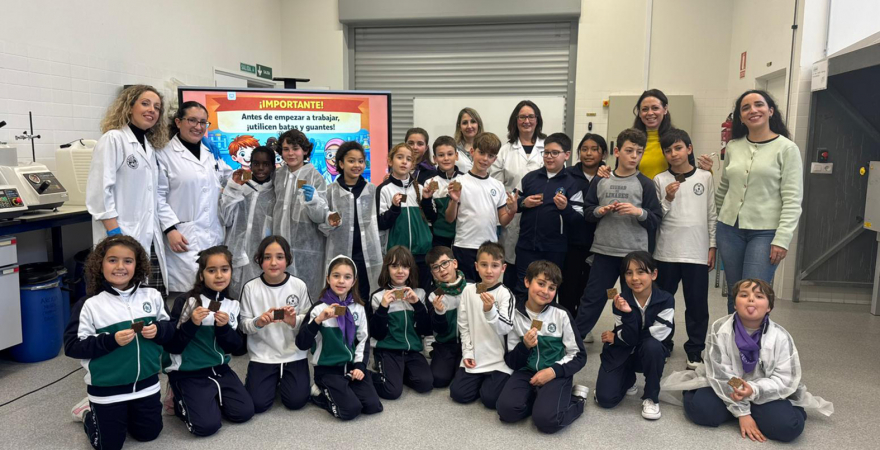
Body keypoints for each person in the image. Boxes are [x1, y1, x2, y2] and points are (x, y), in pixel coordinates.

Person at [662, 279, 834, 442]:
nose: (751, 299)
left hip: (764, 391)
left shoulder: (780, 336)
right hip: (728, 386)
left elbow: (786, 378)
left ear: (769, 307)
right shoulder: (720, 328)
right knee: (702, 411)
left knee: (788, 428)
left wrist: (753, 389)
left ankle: (760, 410)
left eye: (759, 296)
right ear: (735, 304)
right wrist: (743, 413)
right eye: (744, 295)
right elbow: (721, 372)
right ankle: (744, 411)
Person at [65, 235, 174, 450]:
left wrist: (159, 330)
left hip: (146, 385)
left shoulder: (152, 296)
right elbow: (72, 346)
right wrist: (110, 340)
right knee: (110, 445)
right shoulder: (89, 305)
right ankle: (88, 412)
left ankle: (127, 412)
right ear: (100, 263)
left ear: (137, 265)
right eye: (112, 260)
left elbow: (171, 329)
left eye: (128, 261)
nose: (120, 266)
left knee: (149, 434)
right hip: (107, 389)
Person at [715, 90, 803, 313]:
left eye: (759, 105)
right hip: (729, 230)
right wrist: (716, 221)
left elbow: (792, 199)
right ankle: (733, 346)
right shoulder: (733, 146)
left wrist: (782, 239)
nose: (753, 110)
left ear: (770, 111)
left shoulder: (787, 149)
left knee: (753, 296)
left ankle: (752, 347)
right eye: (746, 108)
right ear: (741, 117)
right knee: (735, 295)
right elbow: (724, 188)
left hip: (765, 234)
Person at [574, 129, 662, 340]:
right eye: (629, 151)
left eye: (638, 152)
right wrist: (600, 211)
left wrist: (637, 212)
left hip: (634, 256)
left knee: (634, 300)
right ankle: (574, 340)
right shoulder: (601, 179)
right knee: (593, 298)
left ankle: (634, 339)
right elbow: (588, 211)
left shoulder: (645, 184)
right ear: (617, 152)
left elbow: (655, 218)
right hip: (604, 251)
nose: (634, 156)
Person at [86, 84, 170, 294]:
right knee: (117, 298)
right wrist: (116, 235)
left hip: (146, 235)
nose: (152, 110)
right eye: (145, 103)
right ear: (129, 107)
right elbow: (99, 192)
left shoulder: (149, 148)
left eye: (157, 107)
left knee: (144, 296)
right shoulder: (113, 139)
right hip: (120, 234)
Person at [163, 246, 254, 436]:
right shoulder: (186, 302)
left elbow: (235, 348)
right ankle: (177, 395)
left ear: (231, 271)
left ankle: (207, 398)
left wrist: (223, 329)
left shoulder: (233, 304)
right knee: (206, 427)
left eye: (224, 269)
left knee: (244, 413)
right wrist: (192, 323)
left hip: (220, 369)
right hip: (188, 372)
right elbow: (172, 346)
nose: (219, 275)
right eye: (212, 270)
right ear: (202, 275)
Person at [496, 260, 588, 434]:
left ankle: (577, 401)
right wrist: (524, 346)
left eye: (552, 288)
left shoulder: (562, 315)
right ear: (527, 282)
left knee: (547, 421)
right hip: (526, 371)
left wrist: (553, 371)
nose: (545, 291)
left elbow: (579, 356)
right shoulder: (514, 313)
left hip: (556, 372)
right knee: (506, 411)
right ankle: (541, 400)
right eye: (541, 284)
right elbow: (511, 361)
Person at [653, 128, 717, 369]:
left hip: (697, 251)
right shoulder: (660, 180)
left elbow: (711, 213)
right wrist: (667, 198)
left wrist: (712, 245)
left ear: (689, 149)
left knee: (697, 303)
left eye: (678, 148)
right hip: (667, 251)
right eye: (668, 150)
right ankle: (663, 343)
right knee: (663, 301)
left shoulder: (705, 177)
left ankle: (695, 349)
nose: (673, 153)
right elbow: (657, 216)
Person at [157, 101, 233, 296]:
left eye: (203, 122)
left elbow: (228, 176)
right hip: (183, 237)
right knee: (185, 297)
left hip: (212, 235)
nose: (198, 127)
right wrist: (170, 229)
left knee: (212, 295)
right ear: (178, 122)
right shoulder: (164, 154)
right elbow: (157, 196)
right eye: (192, 120)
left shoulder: (210, 153)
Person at [296, 255, 384, 420]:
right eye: (336, 276)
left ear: (354, 281)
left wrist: (359, 366)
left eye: (347, 277)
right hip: (328, 371)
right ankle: (318, 393)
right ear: (328, 279)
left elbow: (363, 340)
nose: (341, 281)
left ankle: (346, 389)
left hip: (351, 368)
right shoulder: (319, 309)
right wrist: (318, 320)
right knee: (350, 410)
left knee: (373, 406)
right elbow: (301, 343)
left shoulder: (358, 308)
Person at [595, 251, 674, 420]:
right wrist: (628, 314)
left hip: (646, 351)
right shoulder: (620, 300)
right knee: (605, 399)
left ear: (653, 274)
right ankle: (627, 378)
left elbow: (662, 334)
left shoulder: (666, 299)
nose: (635, 278)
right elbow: (626, 338)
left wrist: (616, 337)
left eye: (641, 272)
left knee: (653, 346)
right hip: (623, 352)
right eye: (629, 273)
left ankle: (651, 397)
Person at [238, 236, 312, 413]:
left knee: (296, 402)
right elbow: (243, 325)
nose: (273, 262)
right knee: (258, 404)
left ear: (287, 259)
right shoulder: (250, 288)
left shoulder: (298, 285)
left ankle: (285, 379)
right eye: (267, 257)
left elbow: (310, 320)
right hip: (263, 355)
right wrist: (259, 322)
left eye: (279, 257)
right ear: (259, 260)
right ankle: (265, 379)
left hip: (294, 354)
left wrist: (294, 321)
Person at [513, 132, 583, 299]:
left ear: (566, 155)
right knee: (523, 288)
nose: (549, 157)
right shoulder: (530, 178)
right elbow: (512, 204)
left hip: (554, 249)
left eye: (554, 153)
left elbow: (579, 220)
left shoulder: (572, 183)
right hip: (526, 246)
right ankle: (522, 324)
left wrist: (565, 208)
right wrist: (524, 203)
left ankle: (544, 325)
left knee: (548, 291)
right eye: (546, 152)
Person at [449, 241, 515, 410]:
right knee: (458, 394)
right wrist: (468, 353)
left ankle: (493, 382)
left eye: (494, 266)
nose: (489, 271)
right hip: (476, 357)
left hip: (499, 359)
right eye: (484, 265)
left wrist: (490, 311)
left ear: (503, 268)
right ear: (476, 266)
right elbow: (463, 326)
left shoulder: (505, 294)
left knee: (490, 400)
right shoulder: (468, 291)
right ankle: (482, 380)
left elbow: (505, 328)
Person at [445, 132, 518, 282]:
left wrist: (512, 210)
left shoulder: (497, 185)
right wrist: (453, 201)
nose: (485, 159)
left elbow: (503, 220)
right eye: (481, 153)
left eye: (490, 156)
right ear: (472, 152)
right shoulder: (459, 182)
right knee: (465, 291)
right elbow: (450, 218)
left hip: (488, 248)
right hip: (464, 245)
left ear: (495, 159)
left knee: (485, 291)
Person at [491, 100, 546, 287]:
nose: (527, 121)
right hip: (512, 214)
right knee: (512, 268)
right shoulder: (505, 151)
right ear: (516, 120)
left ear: (537, 120)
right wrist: (516, 202)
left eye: (531, 116)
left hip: (541, 212)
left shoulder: (547, 147)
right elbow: (496, 185)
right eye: (522, 117)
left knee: (539, 270)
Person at [320, 141, 383, 302]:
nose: (357, 165)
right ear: (341, 163)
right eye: (351, 160)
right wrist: (329, 222)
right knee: (339, 295)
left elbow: (378, 224)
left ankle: (364, 327)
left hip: (365, 255)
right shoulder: (331, 191)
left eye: (361, 161)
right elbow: (322, 225)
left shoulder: (372, 190)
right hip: (339, 254)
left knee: (365, 296)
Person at [369, 246, 434, 398]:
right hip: (388, 350)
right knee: (392, 391)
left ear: (411, 269)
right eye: (394, 266)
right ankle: (368, 374)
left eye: (405, 266)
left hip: (411, 351)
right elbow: (377, 333)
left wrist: (417, 304)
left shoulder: (419, 293)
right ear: (387, 269)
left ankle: (395, 373)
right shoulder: (378, 296)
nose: (400, 271)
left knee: (425, 383)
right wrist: (383, 308)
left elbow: (425, 329)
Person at [272, 129, 328, 298]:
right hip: (279, 246)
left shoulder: (315, 177)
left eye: (295, 148)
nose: (290, 153)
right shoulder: (277, 175)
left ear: (305, 151)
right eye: (286, 149)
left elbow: (322, 218)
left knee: (305, 294)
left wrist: (314, 202)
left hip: (307, 250)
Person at [376, 143, 438, 291]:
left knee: (422, 294)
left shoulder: (421, 188)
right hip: (398, 258)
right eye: (399, 157)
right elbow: (381, 223)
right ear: (390, 161)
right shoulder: (384, 189)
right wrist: (395, 209)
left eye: (408, 159)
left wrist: (427, 200)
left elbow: (432, 218)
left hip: (422, 255)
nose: (404, 162)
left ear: (413, 165)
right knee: (400, 295)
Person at [559, 133, 606, 326]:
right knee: (568, 285)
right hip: (570, 240)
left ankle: (582, 325)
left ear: (603, 153)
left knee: (589, 287)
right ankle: (566, 323)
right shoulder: (568, 174)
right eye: (584, 149)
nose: (589, 153)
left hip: (598, 242)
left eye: (594, 149)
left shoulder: (609, 175)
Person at [220, 146, 276, 297]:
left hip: (263, 258)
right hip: (237, 255)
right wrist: (233, 188)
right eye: (256, 163)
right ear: (250, 165)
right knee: (235, 298)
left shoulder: (276, 193)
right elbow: (225, 217)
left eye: (266, 164)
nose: (260, 168)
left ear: (273, 166)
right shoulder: (241, 187)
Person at [424, 246, 466, 388]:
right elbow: (439, 330)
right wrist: (439, 312)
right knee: (438, 379)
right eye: (436, 267)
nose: (441, 270)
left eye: (444, 263)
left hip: (468, 344)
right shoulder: (433, 295)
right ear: (432, 273)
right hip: (445, 345)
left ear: (454, 263)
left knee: (462, 379)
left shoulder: (472, 287)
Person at [425, 136, 463, 249]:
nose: (446, 158)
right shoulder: (430, 182)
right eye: (441, 155)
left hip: (462, 237)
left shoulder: (465, 179)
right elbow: (430, 216)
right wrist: (426, 199)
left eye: (450, 154)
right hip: (439, 238)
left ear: (456, 156)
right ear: (435, 158)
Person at [454, 107, 483, 173]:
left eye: (473, 122)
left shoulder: (487, 148)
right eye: (465, 123)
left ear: (479, 125)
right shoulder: (453, 148)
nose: (469, 126)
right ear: (459, 127)